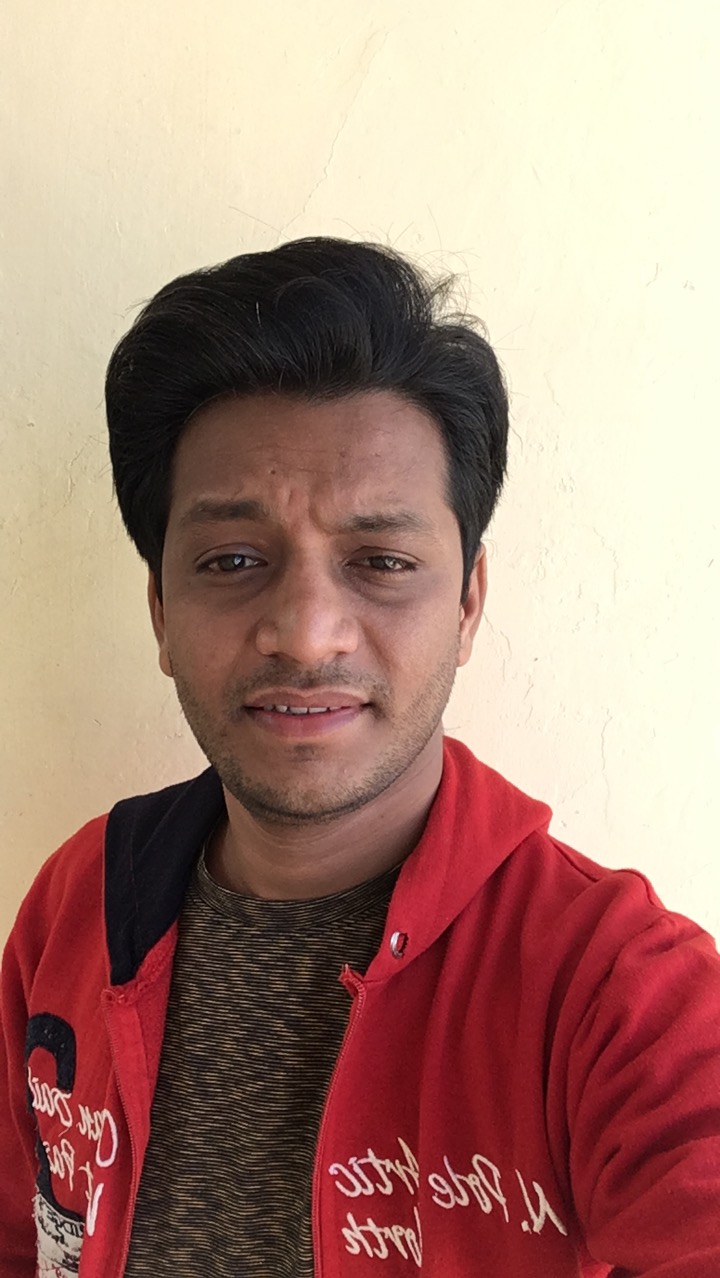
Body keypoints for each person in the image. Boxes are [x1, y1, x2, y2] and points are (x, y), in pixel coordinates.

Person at [1, 238, 719, 1278]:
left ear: (467, 605)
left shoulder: (616, 988)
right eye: (232, 560)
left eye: (381, 561)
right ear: (160, 609)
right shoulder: (80, 903)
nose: (305, 632)